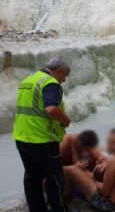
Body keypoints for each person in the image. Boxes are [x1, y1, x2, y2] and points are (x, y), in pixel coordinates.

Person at [13, 56, 71, 212]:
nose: (64, 81)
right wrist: (66, 120)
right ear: (57, 71)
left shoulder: (28, 80)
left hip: (21, 137)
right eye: (64, 76)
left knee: (32, 178)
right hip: (42, 139)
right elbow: (51, 109)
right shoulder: (50, 83)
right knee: (55, 180)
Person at [64, 128, 115, 211]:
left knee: (70, 169)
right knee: (80, 170)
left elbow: (105, 192)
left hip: (109, 205)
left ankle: (65, 199)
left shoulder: (113, 162)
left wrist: (92, 179)